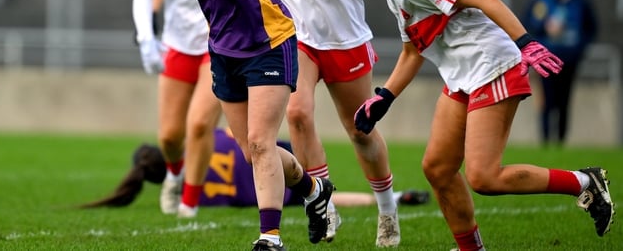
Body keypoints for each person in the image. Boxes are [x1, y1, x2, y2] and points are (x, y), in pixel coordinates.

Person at [334, 0, 615, 250]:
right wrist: (385, 96)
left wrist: (526, 43)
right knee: (438, 168)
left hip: (492, 67)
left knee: (484, 177)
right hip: (465, 77)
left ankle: (585, 182)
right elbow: (412, 52)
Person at [109, 0, 334, 251]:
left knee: (262, 143)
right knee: (251, 151)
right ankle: (314, 188)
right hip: (224, 48)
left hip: (269, 43)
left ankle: (270, 237)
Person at [258, 0, 399, 247]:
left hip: (343, 38)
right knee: (298, 114)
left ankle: (387, 209)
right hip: (296, 37)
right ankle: (324, 203)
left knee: (360, 131)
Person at [131, 0, 223, 219]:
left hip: (218, 46)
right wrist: (146, 39)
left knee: (200, 124)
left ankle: (190, 202)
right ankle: (174, 175)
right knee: (169, 136)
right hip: (178, 44)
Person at [81, 128, 430, 210]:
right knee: (311, 178)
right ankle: (391, 193)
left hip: (260, 195)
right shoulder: (200, 143)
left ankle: (394, 197)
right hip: (273, 158)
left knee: (325, 199)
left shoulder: (196, 197)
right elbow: (236, 132)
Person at [521, 0, 598, 146]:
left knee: (564, 100)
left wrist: (580, 49)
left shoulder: (579, 0)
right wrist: (544, 28)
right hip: (546, 60)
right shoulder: (541, 0)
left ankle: (561, 141)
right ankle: (546, 141)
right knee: (546, 100)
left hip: (569, 60)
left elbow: (591, 28)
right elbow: (526, 25)